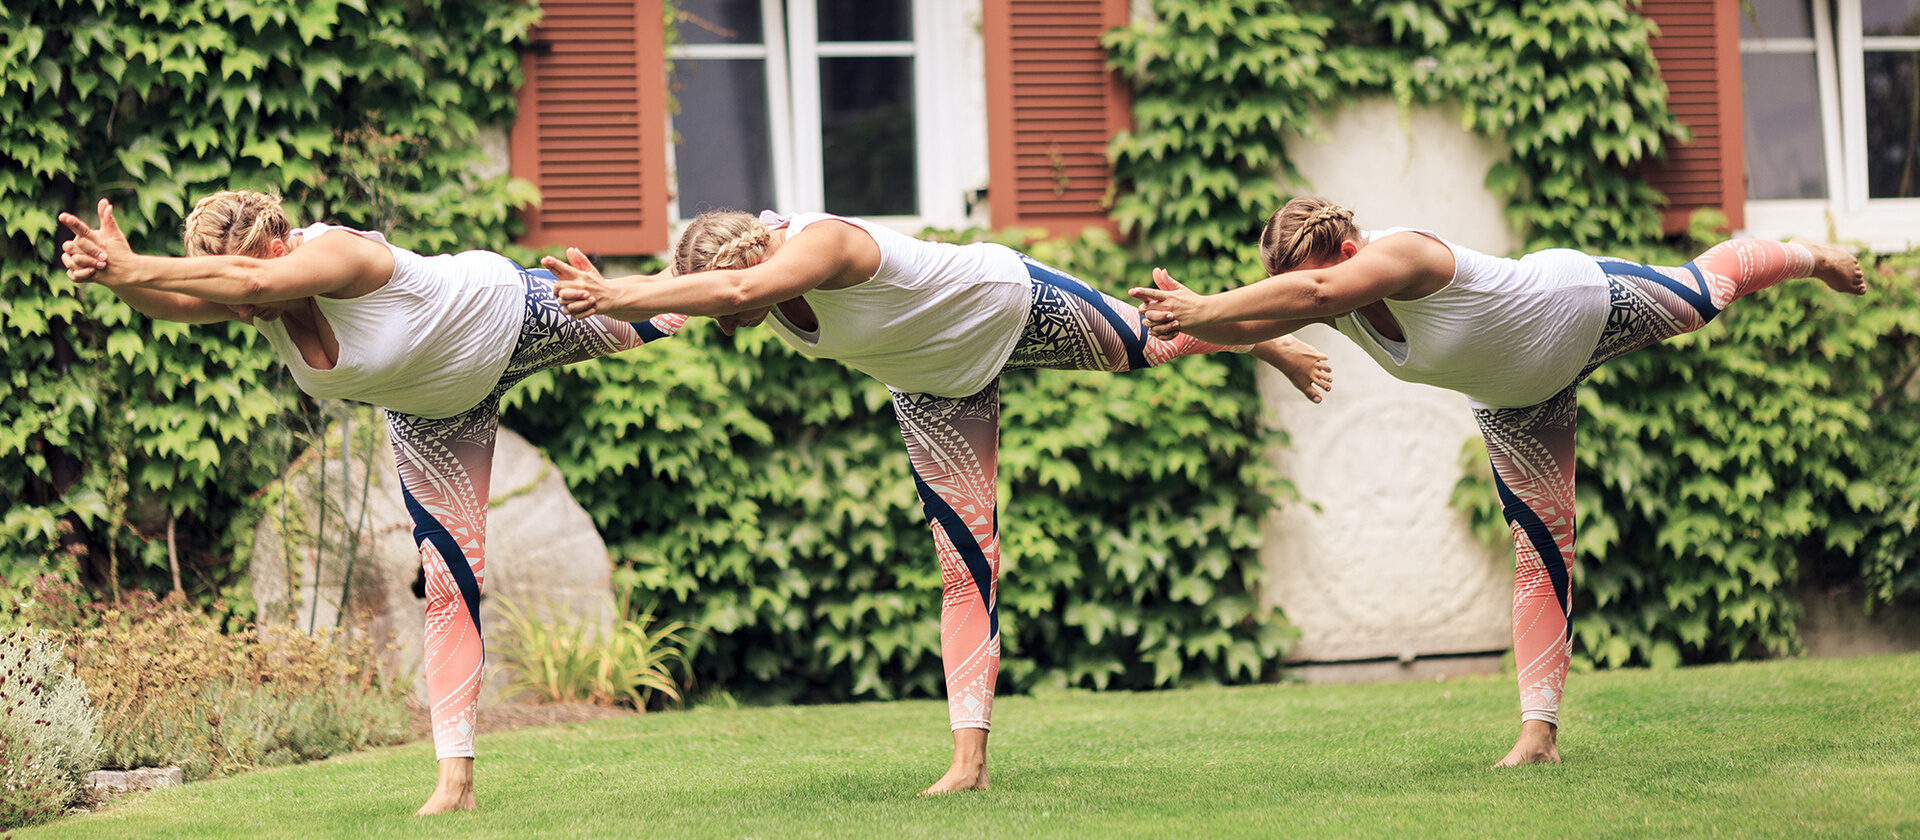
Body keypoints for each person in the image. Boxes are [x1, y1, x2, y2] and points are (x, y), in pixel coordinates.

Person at [542, 209, 1335, 794]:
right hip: (931, 383)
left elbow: (743, 286)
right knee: (965, 568)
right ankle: (968, 765)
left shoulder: (824, 242)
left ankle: (1268, 328)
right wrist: (591, 301)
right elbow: (692, 305)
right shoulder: (739, 291)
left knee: (1150, 343)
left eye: (730, 310)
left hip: (1000, 302)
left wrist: (618, 292)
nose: (735, 324)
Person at [1128, 196, 1867, 767]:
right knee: (1542, 548)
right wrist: (1227, 338)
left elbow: (1314, 295)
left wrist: (1213, 304)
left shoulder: (1403, 252)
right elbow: (1232, 322)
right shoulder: (1321, 296)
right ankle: (1538, 737)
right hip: (1516, 396)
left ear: (1349, 252)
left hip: (1578, 306)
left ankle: (1807, 254)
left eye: (1309, 279)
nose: (1296, 294)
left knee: (1701, 296)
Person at [57, 193, 686, 815]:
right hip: (434, 413)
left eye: (245, 281)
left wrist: (138, 264)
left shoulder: (338, 252)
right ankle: (455, 786)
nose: (239, 307)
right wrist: (119, 273)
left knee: (663, 311)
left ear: (279, 249)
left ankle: (757, 255)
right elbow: (172, 302)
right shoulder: (255, 300)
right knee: (450, 583)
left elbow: (249, 278)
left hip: (507, 317)